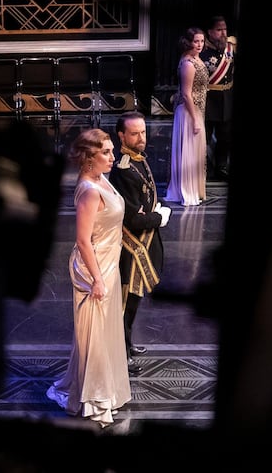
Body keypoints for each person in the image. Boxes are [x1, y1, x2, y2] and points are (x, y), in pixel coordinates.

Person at [46, 128, 132, 428]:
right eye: (106, 152)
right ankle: (94, 399)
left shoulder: (101, 178)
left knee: (104, 334)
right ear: (88, 158)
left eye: (111, 150)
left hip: (109, 263)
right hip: (93, 269)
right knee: (93, 338)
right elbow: (83, 241)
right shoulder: (89, 189)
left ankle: (103, 390)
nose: (113, 155)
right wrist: (97, 279)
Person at [109, 111, 171, 375]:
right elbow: (134, 219)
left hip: (143, 242)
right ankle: (120, 353)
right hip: (130, 248)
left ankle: (127, 344)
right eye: (134, 133)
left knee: (133, 302)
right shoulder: (123, 170)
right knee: (124, 304)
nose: (141, 138)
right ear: (121, 136)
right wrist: (159, 217)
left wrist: (149, 213)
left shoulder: (139, 160)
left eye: (143, 132)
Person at [164, 27, 209, 206]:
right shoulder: (188, 63)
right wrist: (195, 119)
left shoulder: (197, 59)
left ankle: (195, 189)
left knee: (196, 153)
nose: (199, 44)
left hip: (198, 110)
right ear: (189, 42)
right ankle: (186, 190)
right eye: (196, 41)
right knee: (189, 152)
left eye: (202, 41)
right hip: (189, 111)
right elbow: (186, 94)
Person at [200, 15, 236, 181]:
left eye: (224, 29)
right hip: (208, 99)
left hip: (227, 99)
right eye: (219, 30)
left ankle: (222, 166)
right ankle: (204, 167)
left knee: (225, 136)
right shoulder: (202, 50)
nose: (223, 33)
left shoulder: (231, 47)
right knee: (204, 137)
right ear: (210, 32)